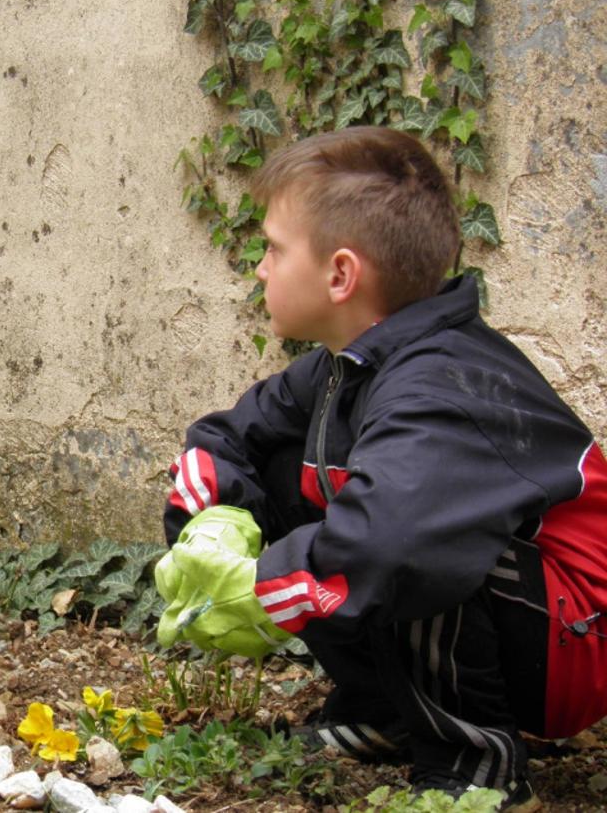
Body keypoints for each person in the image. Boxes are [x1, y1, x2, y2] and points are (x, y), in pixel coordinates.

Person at [153, 126, 607, 811]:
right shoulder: (346, 366)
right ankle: (387, 712)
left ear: (340, 274)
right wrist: (209, 527)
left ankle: (473, 760)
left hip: (575, 640)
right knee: (286, 469)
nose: (260, 269)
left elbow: (393, 543)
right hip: (521, 611)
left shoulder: (441, 384)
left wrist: (257, 589)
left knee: (407, 539)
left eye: (273, 249)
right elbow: (229, 438)